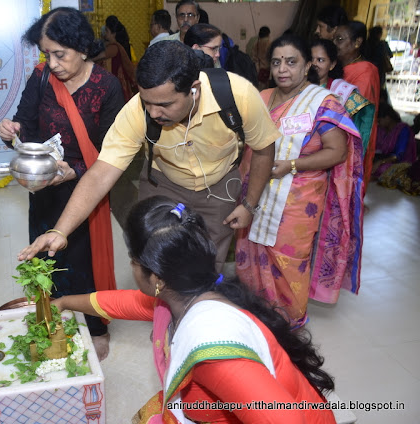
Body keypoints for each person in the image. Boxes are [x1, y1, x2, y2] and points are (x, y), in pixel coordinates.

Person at [52, 196, 337, 423]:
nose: (131, 267)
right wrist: (64, 303)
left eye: (133, 260)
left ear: (157, 279)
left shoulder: (212, 353)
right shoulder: (186, 295)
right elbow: (123, 302)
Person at [19, 40, 278, 276]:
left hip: (220, 189)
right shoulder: (137, 110)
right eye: (147, 102)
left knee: (206, 265)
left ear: (194, 89)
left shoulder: (238, 96)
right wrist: (60, 230)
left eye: (165, 104)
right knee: (155, 263)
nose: (153, 113)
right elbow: (101, 173)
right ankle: (163, 321)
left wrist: (249, 204)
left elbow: (264, 150)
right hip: (163, 184)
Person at [0, 7, 124, 360]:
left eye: (60, 54)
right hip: (45, 190)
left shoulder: (106, 86)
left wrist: (78, 169)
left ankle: (96, 327)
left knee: (84, 263)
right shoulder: (40, 79)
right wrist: (11, 133)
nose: (52, 63)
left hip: (87, 189)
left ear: (82, 48)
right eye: (46, 54)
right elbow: (26, 128)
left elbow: (113, 150)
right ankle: (51, 316)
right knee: (45, 259)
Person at [236, 34, 364, 329]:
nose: (283, 69)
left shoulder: (322, 102)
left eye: (291, 62)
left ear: (307, 65)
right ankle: (257, 316)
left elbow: (337, 151)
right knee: (252, 252)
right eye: (277, 62)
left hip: (298, 198)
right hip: (257, 192)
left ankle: (288, 323)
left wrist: (293, 165)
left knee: (288, 260)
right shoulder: (263, 97)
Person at [334, 20, 380, 189]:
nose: (335, 44)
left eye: (339, 39)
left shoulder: (364, 71)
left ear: (357, 42)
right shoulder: (338, 68)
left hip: (351, 142)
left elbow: (357, 116)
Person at [311, 38, 375, 154]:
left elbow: (363, 118)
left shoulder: (342, 91)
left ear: (332, 64)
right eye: (311, 59)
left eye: (320, 60)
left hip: (330, 156)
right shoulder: (297, 88)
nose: (314, 64)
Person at [94, 16, 137, 101]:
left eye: (106, 31)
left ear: (113, 33)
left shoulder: (114, 47)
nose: (104, 33)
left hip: (115, 87)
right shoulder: (113, 45)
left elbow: (99, 57)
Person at [372, 103, 417, 179]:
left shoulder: (402, 130)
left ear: (388, 118)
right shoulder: (381, 130)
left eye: (379, 121)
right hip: (382, 158)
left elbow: (398, 155)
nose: (378, 124)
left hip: (400, 162)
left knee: (382, 169)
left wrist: (381, 162)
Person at [365, 26, 393, 99]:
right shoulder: (383, 44)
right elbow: (390, 55)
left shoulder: (366, 44)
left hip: (367, 70)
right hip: (379, 71)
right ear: (379, 34)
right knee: (378, 91)